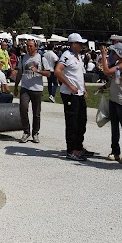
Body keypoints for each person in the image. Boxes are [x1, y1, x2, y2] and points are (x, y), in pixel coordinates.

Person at [55, 33, 90, 161]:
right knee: (72, 123)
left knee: (82, 121)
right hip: (70, 94)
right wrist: (70, 86)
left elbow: (80, 75)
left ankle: (79, 147)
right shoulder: (66, 56)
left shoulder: (78, 57)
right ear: (73, 44)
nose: (82, 46)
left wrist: (84, 89)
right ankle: (71, 150)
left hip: (79, 93)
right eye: (80, 43)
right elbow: (57, 71)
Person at [99, 43, 122, 164]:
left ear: (119, 54)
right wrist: (105, 86)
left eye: (113, 53)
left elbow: (106, 71)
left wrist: (103, 55)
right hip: (114, 99)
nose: (112, 55)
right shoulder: (118, 64)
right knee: (114, 128)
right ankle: (115, 151)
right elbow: (115, 79)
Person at [14, 40, 50, 143]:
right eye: (27, 46)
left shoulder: (41, 58)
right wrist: (16, 86)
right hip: (25, 88)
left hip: (37, 88)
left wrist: (37, 71)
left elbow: (48, 73)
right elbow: (20, 72)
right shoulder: (23, 58)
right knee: (23, 109)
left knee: (36, 113)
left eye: (30, 46)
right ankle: (26, 131)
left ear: (35, 47)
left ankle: (35, 132)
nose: (28, 48)